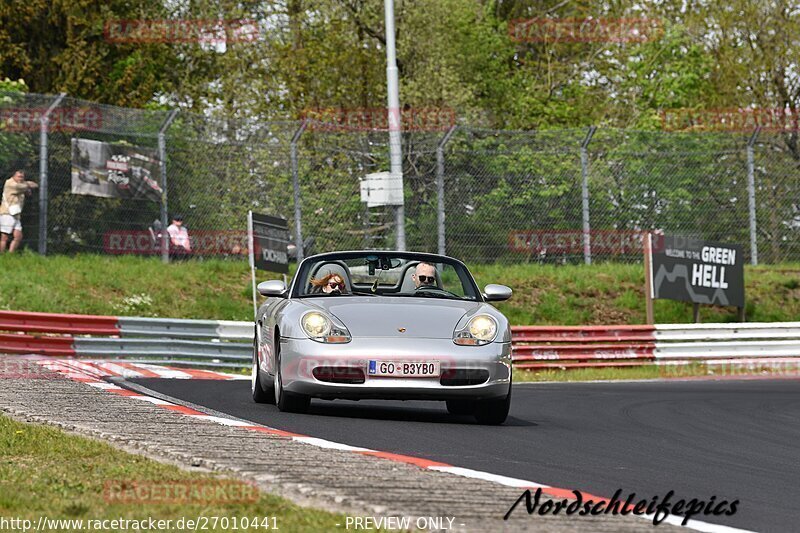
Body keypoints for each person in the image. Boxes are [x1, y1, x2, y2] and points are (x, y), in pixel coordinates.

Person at [0, 170, 38, 254]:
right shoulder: (10, 183)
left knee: (18, 236)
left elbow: (32, 186)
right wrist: (28, 184)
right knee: (4, 237)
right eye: (19, 177)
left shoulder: (21, 184)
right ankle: (1, 255)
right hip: (7, 213)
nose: (21, 179)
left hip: (16, 214)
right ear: (13, 176)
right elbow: (28, 185)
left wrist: (27, 186)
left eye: (22, 177)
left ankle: (10, 254)